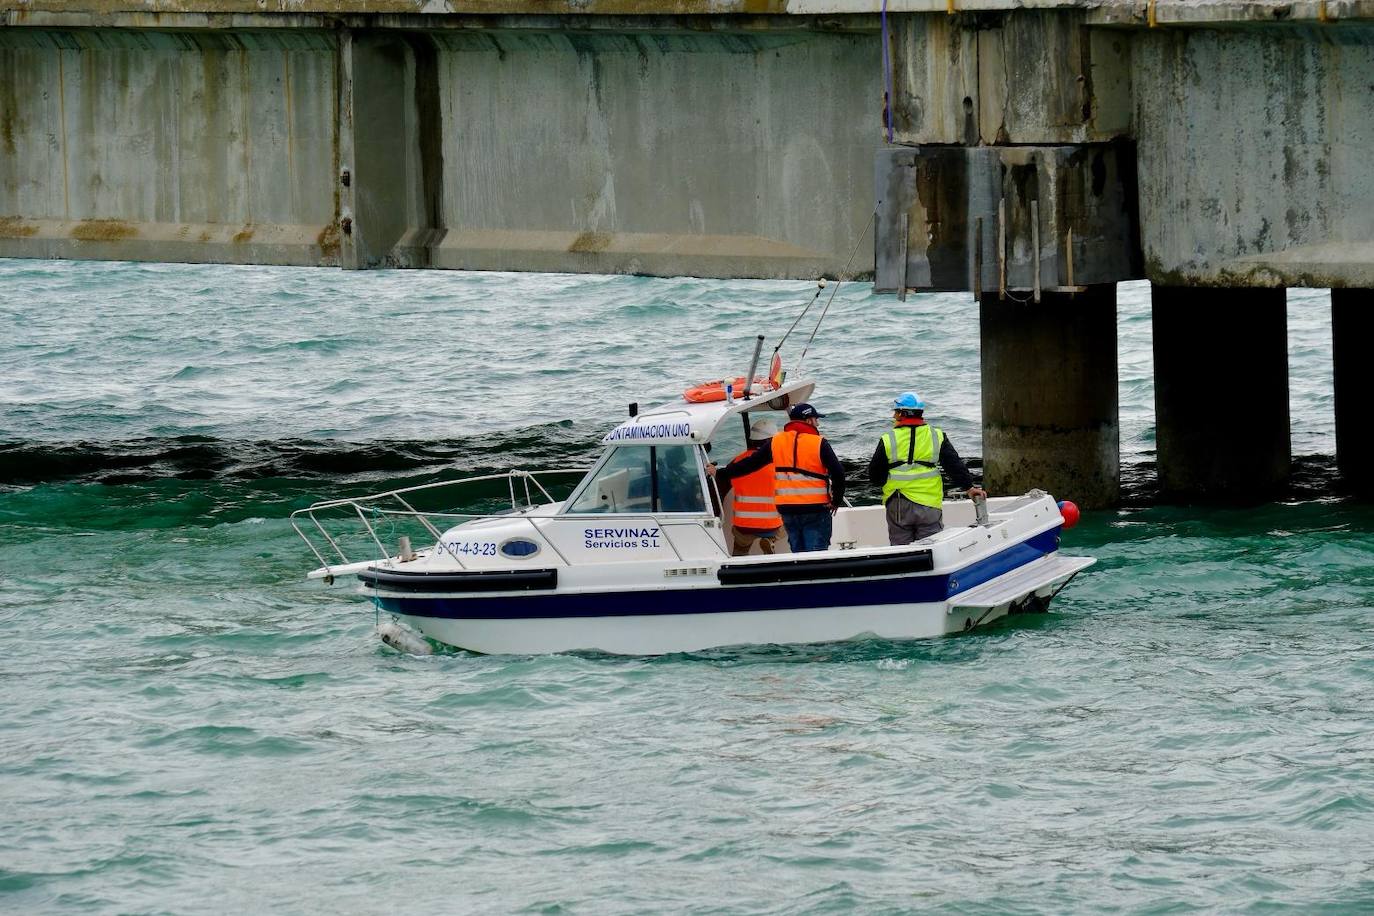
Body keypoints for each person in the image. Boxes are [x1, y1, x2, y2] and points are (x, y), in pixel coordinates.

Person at [713, 403, 846, 553]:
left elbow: (749, 465)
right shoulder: (819, 443)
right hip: (815, 508)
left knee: (798, 551)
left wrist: (719, 472)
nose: (818, 423)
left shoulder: (776, 442)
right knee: (816, 551)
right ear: (808, 421)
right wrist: (836, 501)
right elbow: (838, 473)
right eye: (816, 419)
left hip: (788, 510)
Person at [868, 391, 985, 546]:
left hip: (898, 501)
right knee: (931, 547)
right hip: (929, 503)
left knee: (901, 549)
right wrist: (969, 487)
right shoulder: (937, 435)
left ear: (903, 413)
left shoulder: (888, 438)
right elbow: (953, 465)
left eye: (896, 412)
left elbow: (875, 475)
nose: (893, 416)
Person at [724, 418, 782, 556]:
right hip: (771, 525)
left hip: (743, 524)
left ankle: (737, 566)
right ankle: (771, 539)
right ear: (770, 441)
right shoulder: (779, 462)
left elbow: (725, 480)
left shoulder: (736, 462)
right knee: (792, 521)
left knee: (740, 549)